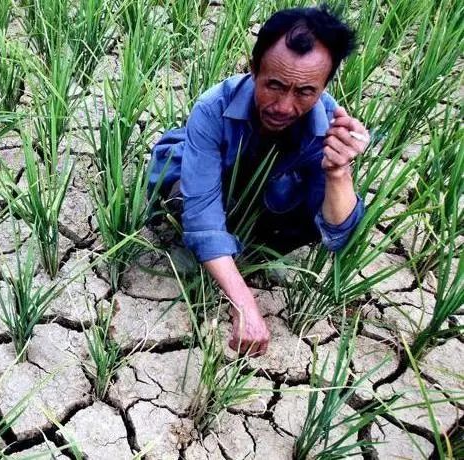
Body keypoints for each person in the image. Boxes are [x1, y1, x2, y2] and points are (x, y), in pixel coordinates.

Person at [147, 6, 370, 356]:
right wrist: (245, 304)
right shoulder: (213, 107)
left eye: (305, 92)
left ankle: (244, 245)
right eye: (275, 85)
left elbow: (336, 236)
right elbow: (201, 214)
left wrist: (339, 172)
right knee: (177, 200)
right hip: (204, 186)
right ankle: (225, 257)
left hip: (263, 199)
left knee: (309, 207)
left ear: (324, 87)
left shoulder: (328, 126)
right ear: (253, 70)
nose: (284, 106)